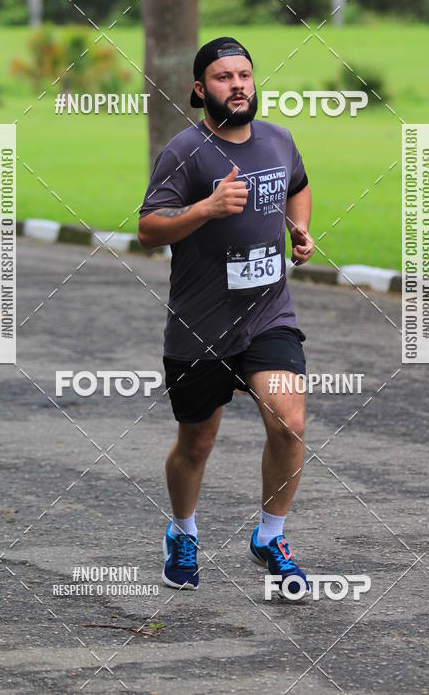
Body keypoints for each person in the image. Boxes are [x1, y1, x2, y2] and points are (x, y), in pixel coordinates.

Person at [137, 37, 314, 597]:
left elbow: (298, 186)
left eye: (244, 75)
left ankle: (271, 535)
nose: (237, 85)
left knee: (289, 422)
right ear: (199, 89)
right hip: (200, 327)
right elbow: (147, 229)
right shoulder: (184, 153)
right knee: (197, 441)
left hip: (268, 316)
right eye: (222, 77)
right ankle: (183, 532)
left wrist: (299, 230)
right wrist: (206, 209)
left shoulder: (279, 141)